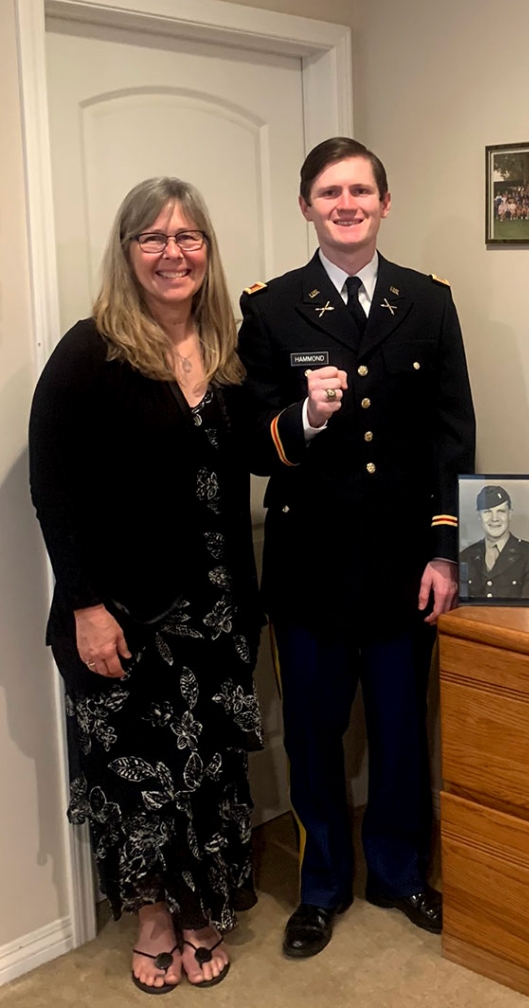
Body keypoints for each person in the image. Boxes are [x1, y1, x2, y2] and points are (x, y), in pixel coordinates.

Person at [236, 137, 475, 958]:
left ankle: (402, 872)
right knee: (311, 737)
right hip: (309, 571)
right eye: (330, 192)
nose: (347, 204)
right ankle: (323, 884)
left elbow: (453, 441)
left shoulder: (429, 300)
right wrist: (305, 420)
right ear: (305, 205)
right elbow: (252, 445)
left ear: (383, 203)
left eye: (361, 191)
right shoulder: (270, 307)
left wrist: (446, 552)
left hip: (408, 569)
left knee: (404, 732)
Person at [29, 178, 263, 994]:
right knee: (139, 775)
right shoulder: (89, 351)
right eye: (153, 239)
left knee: (205, 772)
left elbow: (257, 458)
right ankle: (158, 918)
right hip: (122, 613)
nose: (174, 253)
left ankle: (202, 907)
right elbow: (52, 489)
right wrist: (87, 605)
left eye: (188, 236)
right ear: (127, 253)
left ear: (209, 249)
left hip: (217, 607)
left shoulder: (230, 347)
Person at [459, 485, 529, 599]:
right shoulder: (465, 556)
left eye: (501, 511)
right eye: (487, 512)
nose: (494, 518)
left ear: (510, 514)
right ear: (478, 516)